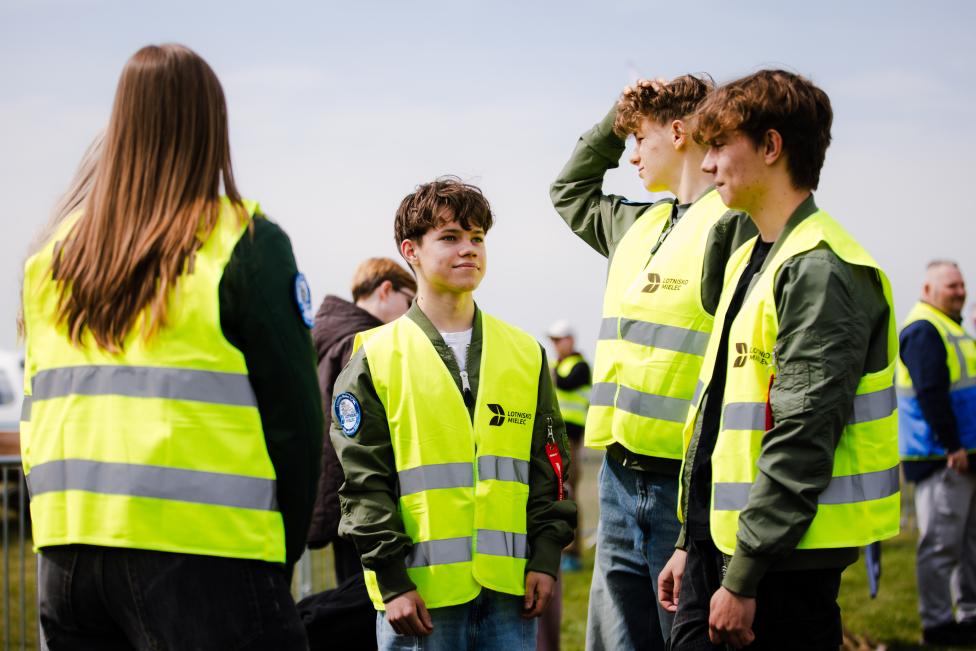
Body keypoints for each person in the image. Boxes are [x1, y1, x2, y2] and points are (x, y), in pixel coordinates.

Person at [20, 43, 321, 649]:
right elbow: (295, 425)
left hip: (68, 555)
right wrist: (276, 554)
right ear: (211, 126)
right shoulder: (243, 243)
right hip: (204, 556)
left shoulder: (49, 255)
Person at [661, 69, 900, 650]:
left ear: (771, 147)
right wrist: (691, 545)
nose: (708, 163)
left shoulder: (821, 269)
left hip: (780, 568)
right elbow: (722, 416)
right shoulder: (754, 255)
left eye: (719, 145)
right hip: (726, 548)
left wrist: (742, 579)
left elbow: (801, 438)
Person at [550, 75, 756, 650]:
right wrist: (616, 117)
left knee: (684, 639)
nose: (631, 154)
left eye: (638, 138)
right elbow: (569, 188)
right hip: (617, 480)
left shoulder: (735, 224)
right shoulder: (634, 224)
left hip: (685, 487)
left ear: (680, 131)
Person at [331, 177, 576, 651]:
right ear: (411, 250)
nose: (469, 249)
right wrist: (392, 579)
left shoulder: (525, 351)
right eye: (450, 237)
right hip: (419, 598)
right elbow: (364, 482)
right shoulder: (374, 354)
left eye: (478, 237)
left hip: (509, 593)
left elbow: (551, 467)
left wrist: (545, 558)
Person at [307, 257, 417, 583]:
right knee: (368, 605)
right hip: (365, 496)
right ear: (386, 290)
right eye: (409, 301)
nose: (412, 313)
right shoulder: (363, 342)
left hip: (337, 492)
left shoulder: (327, 335)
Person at [897, 260, 976, 647]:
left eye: (962, 284)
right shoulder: (924, 330)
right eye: (951, 286)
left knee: (967, 544)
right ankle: (937, 623)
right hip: (943, 459)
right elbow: (930, 393)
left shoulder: (950, 326)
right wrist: (952, 446)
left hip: (962, 457)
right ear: (928, 289)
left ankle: (969, 615)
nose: (960, 291)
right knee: (941, 544)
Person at [546, 318, 590, 572]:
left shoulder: (579, 366)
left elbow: (565, 383)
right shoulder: (556, 365)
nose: (555, 345)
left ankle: (573, 552)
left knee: (568, 491)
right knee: (556, 492)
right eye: (552, 340)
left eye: (558, 340)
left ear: (570, 340)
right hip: (552, 436)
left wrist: (550, 373)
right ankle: (559, 549)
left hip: (570, 438)